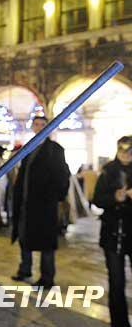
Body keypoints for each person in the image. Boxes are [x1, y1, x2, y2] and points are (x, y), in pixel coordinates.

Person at [11, 116, 70, 288]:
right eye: (36, 124)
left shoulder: (55, 149)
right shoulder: (28, 148)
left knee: (46, 243)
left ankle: (47, 277)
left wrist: (57, 197)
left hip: (45, 205)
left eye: (43, 124)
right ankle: (25, 269)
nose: (39, 127)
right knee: (24, 236)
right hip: (27, 204)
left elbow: (62, 175)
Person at [93, 136, 132, 327]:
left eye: (129, 150)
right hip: (112, 233)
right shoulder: (108, 171)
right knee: (116, 282)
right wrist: (115, 197)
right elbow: (97, 200)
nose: (126, 154)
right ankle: (119, 322)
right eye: (122, 150)